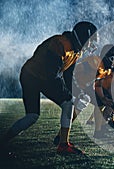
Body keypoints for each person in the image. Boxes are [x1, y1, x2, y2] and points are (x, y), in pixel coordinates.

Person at [0, 21, 97, 156]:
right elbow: (52, 75)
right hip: (33, 76)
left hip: (38, 75)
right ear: (82, 37)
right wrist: (70, 93)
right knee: (65, 104)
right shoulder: (60, 44)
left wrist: (76, 91)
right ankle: (63, 145)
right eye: (90, 40)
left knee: (32, 116)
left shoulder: (75, 50)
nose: (92, 45)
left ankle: (3, 140)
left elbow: (68, 74)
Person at [52, 44, 114, 144]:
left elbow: (98, 85)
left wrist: (103, 98)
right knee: (81, 101)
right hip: (73, 82)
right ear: (109, 57)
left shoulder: (105, 70)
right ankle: (61, 136)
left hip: (84, 86)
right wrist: (75, 87)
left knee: (99, 102)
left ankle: (98, 131)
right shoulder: (95, 62)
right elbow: (75, 70)